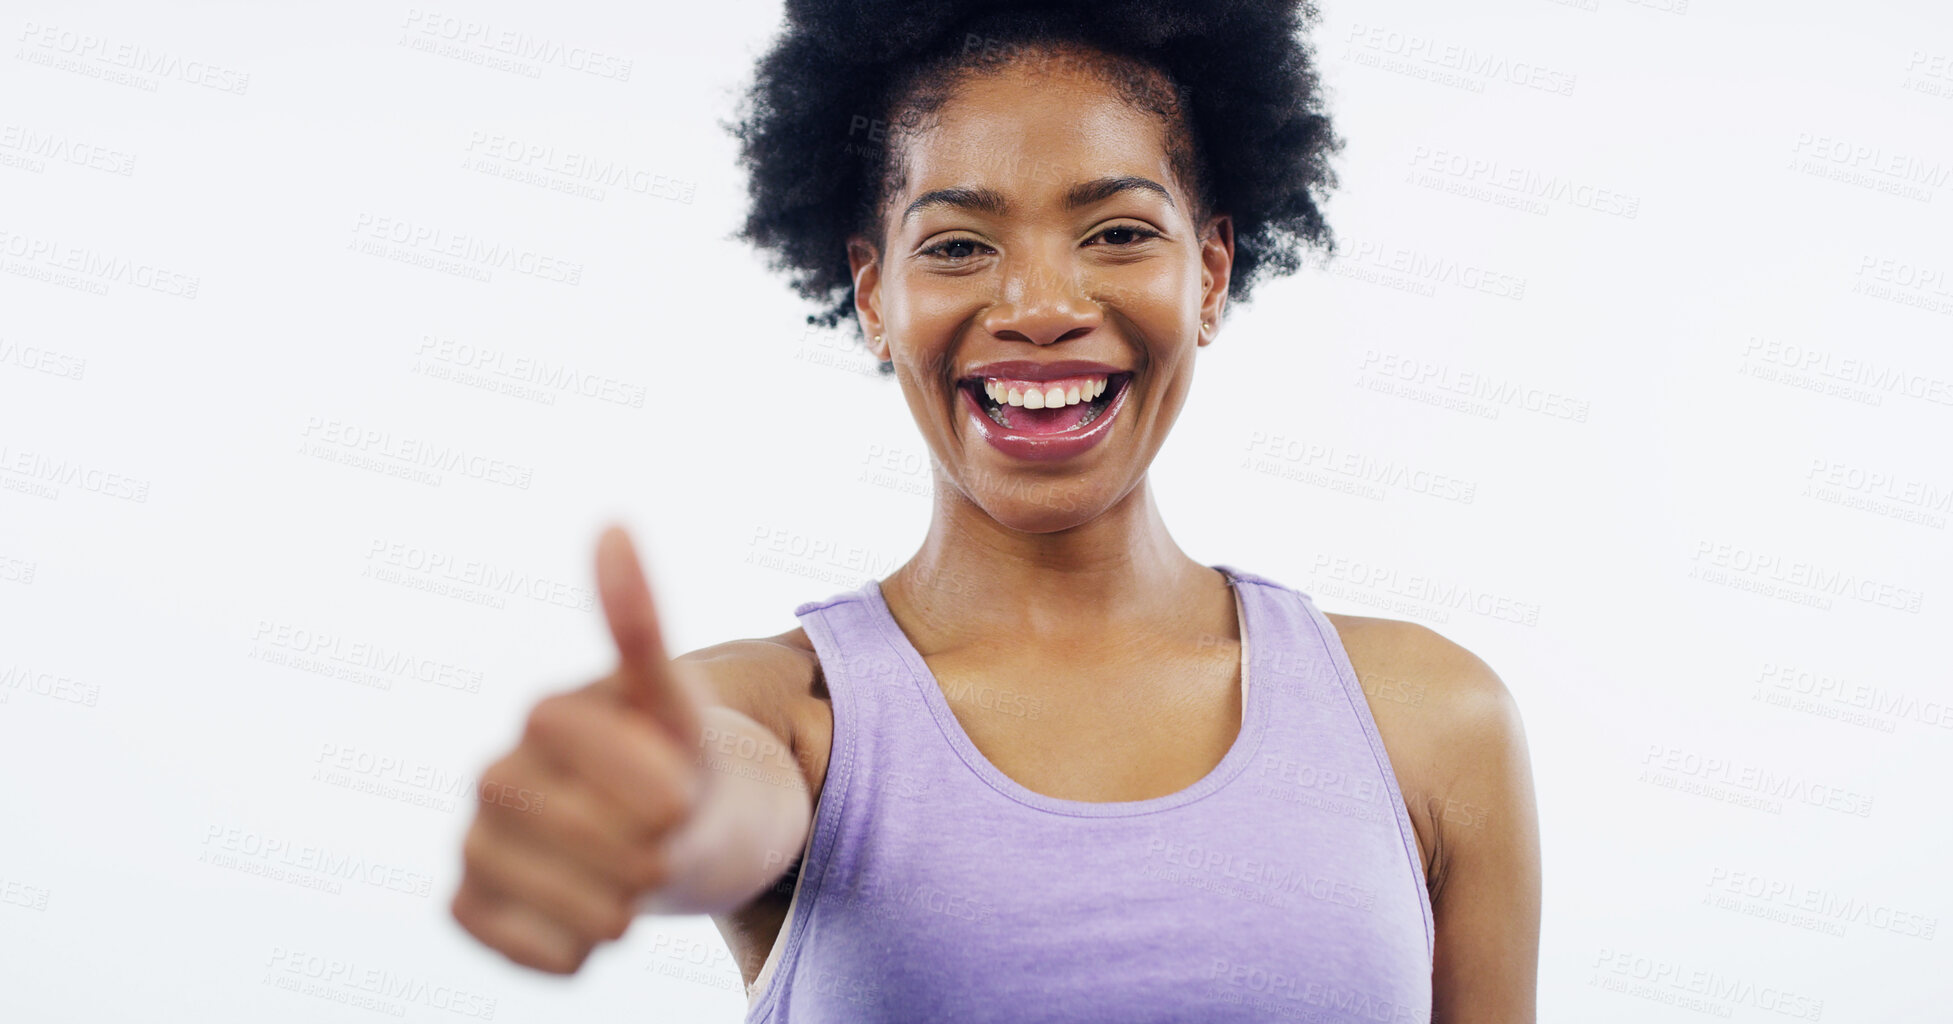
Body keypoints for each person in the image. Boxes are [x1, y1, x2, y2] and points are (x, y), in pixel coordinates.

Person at [450, 2, 1542, 1020]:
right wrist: (638, 802)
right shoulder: (800, 717)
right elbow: (711, 791)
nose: (1042, 309)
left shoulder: (1430, 723)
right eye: (960, 245)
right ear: (875, 298)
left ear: (1209, 274)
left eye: (1117, 231)